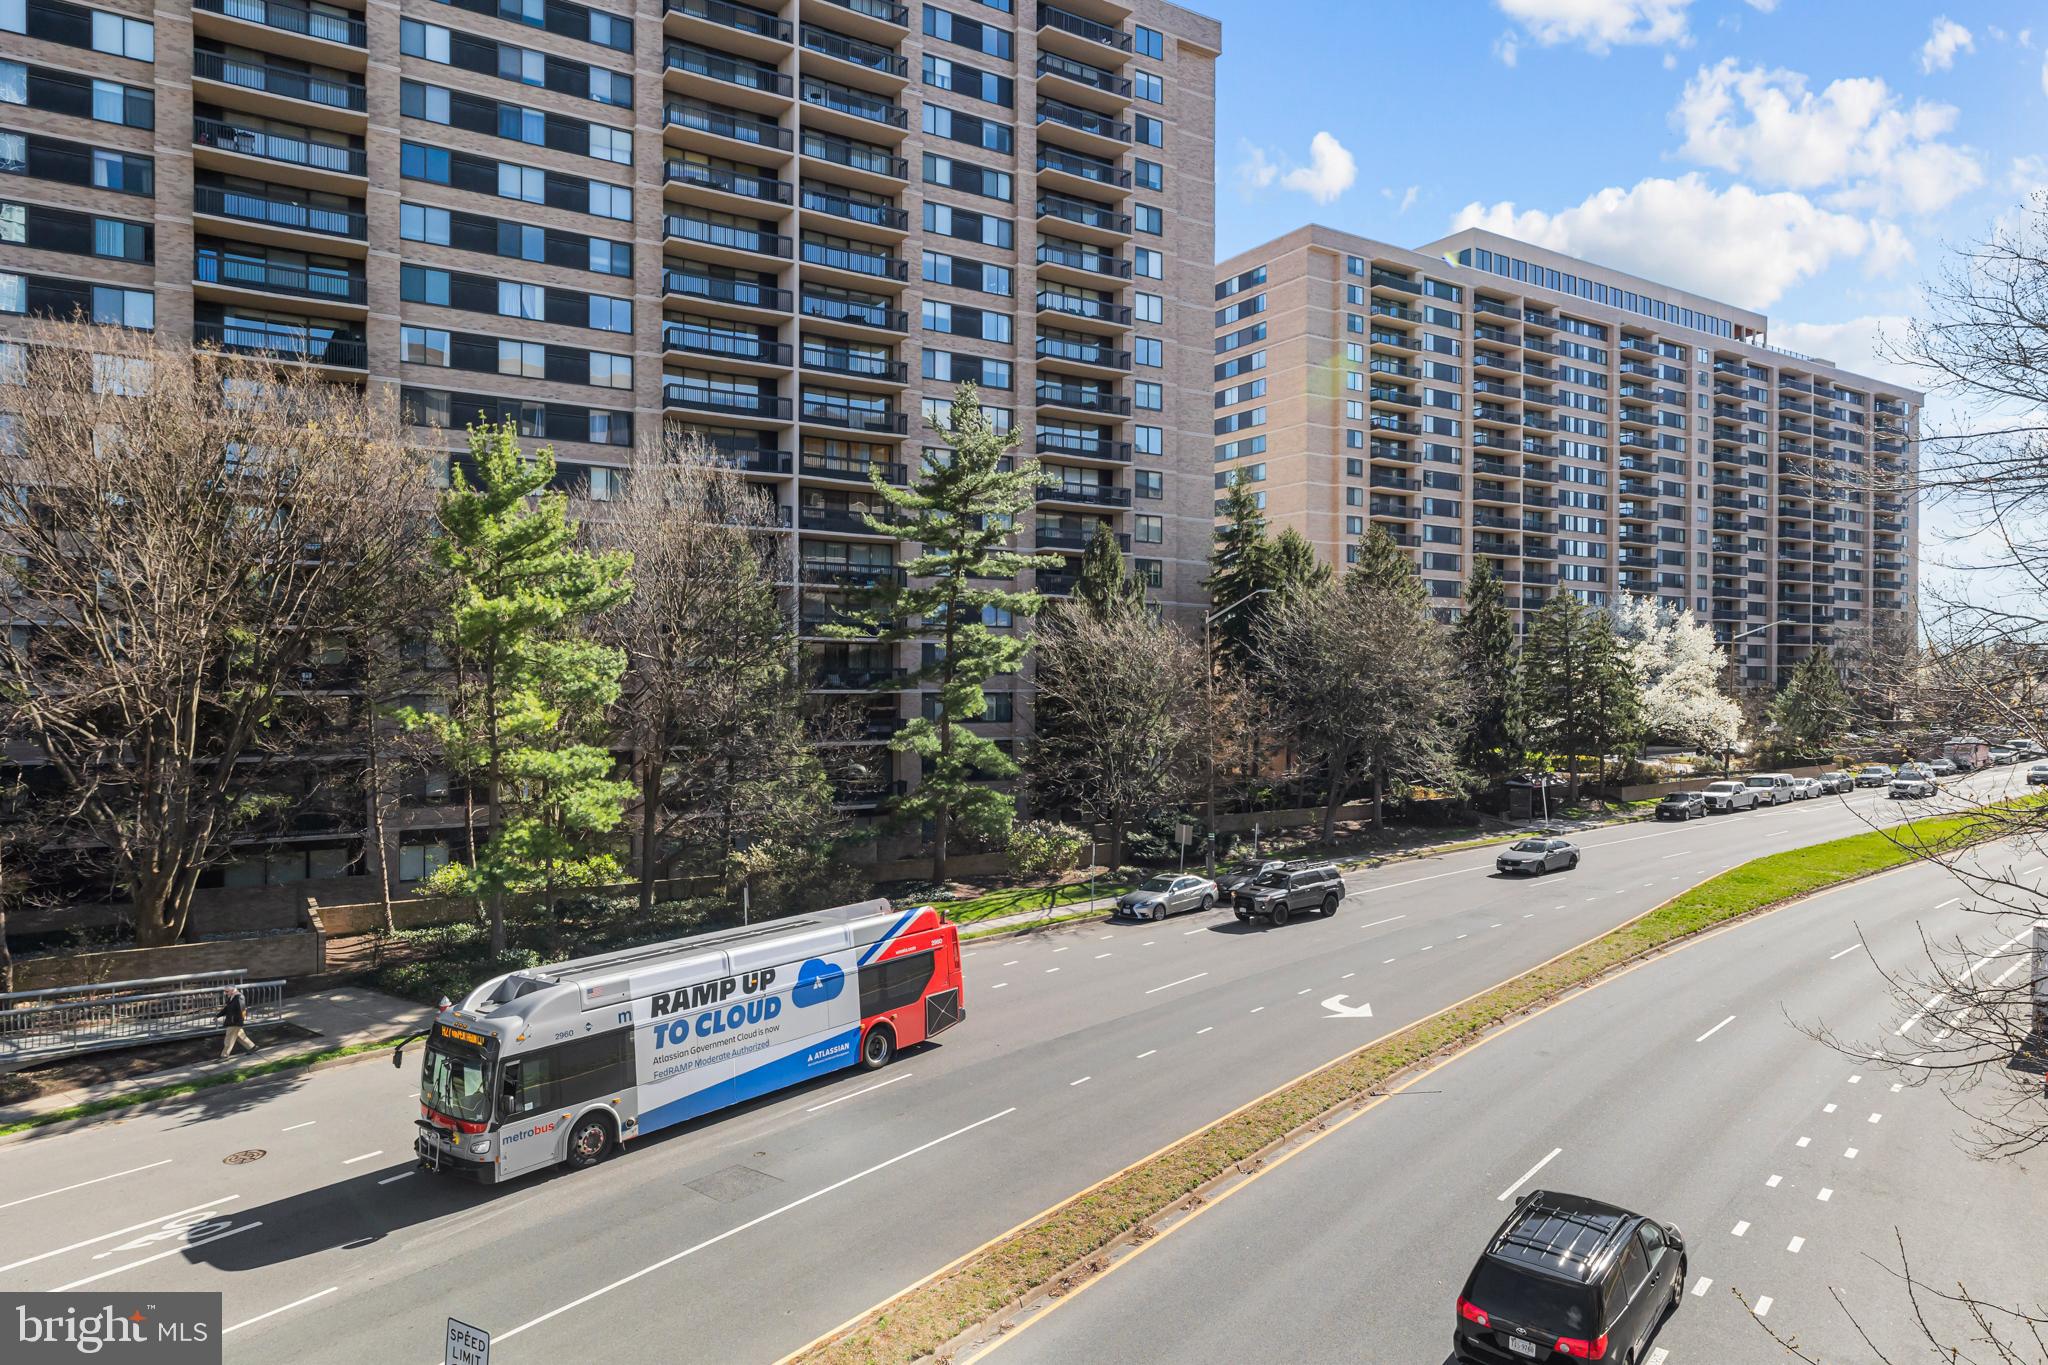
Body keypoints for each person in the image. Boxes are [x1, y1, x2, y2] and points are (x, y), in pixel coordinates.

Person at [218, 986, 255, 1058]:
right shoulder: (232, 997)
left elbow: (242, 1011)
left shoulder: (239, 997)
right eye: (225, 991)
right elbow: (227, 1008)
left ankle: (224, 1055)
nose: (225, 993)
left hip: (235, 1022)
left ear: (232, 990)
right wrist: (218, 1015)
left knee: (229, 1038)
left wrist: (240, 1023)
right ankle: (252, 1047)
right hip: (233, 1021)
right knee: (240, 1036)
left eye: (226, 991)